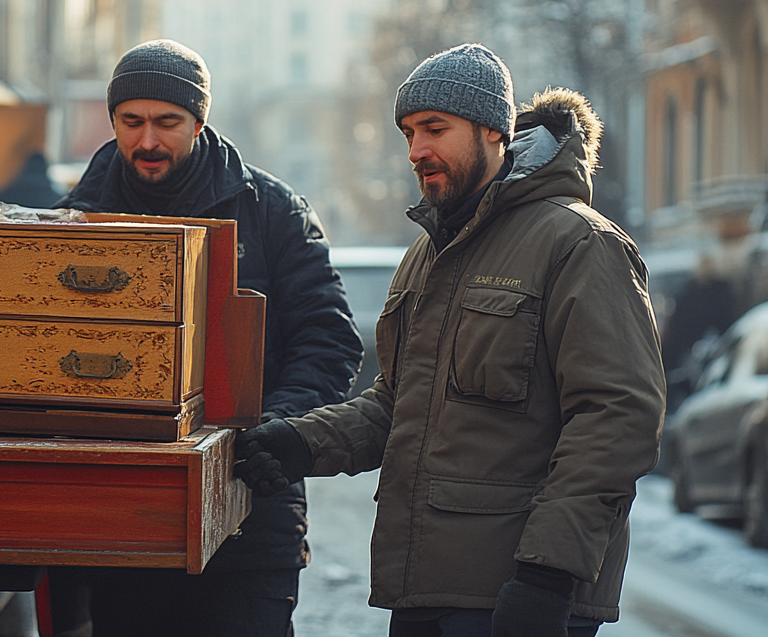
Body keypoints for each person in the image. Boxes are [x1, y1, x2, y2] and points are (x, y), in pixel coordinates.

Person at [234, 44, 665, 637]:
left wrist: (547, 577)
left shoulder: (578, 243)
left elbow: (618, 418)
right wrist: (300, 444)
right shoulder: (429, 251)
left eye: (435, 129)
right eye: (409, 133)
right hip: (424, 591)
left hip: (520, 598)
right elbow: (399, 401)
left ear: (494, 130)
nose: (417, 151)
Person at [51, 38, 362, 637]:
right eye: (131, 121)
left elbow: (328, 337)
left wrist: (279, 426)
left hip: (252, 507)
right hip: (123, 513)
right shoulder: (76, 218)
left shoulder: (271, 210)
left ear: (199, 121)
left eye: (168, 123)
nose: (147, 141)